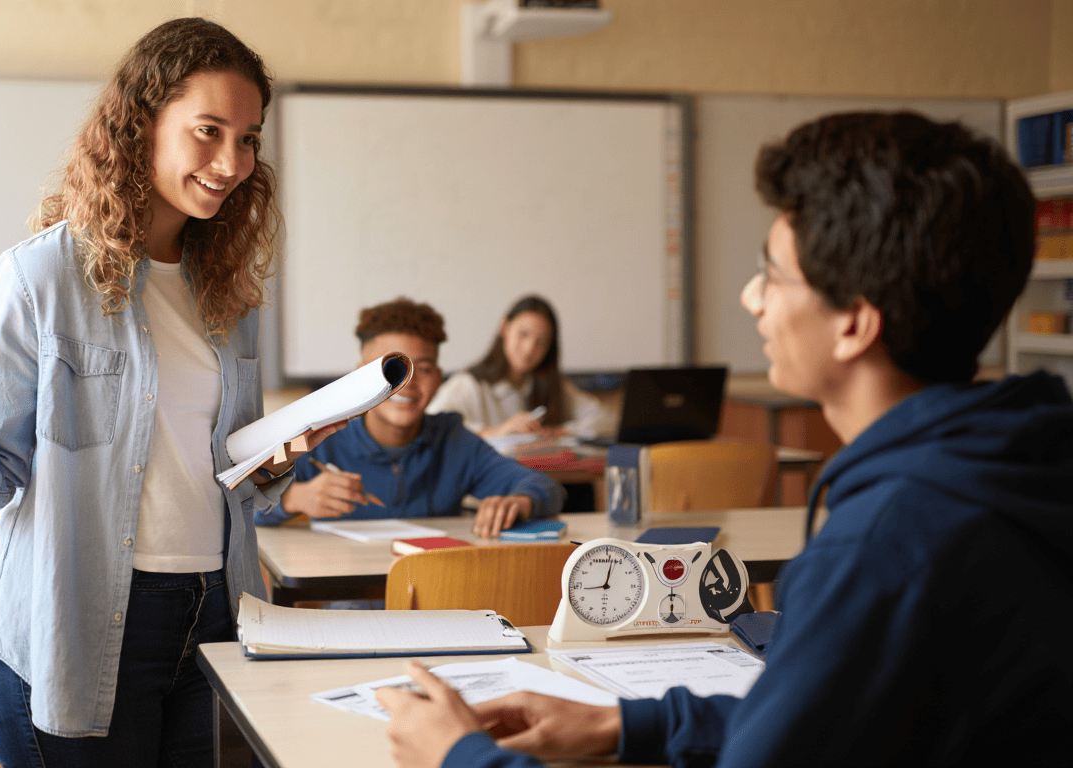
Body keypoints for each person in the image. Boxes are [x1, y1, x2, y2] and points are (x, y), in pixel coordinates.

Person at [377, 111, 1073, 767]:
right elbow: (819, 720)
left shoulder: (884, 550)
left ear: (855, 323)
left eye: (771, 272)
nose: (752, 297)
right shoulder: (1020, 467)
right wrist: (625, 724)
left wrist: (460, 756)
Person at [0, 18, 342, 768]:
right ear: (142, 126)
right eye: (209, 130)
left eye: (249, 138)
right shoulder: (39, 279)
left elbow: (220, 475)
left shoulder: (229, 296)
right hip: (81, 630)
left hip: (218, 615)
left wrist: (276, 457)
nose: (232, 161)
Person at [256, 297, 564, 538]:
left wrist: (519, 502)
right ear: (359, 374)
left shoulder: (453, 440)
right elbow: (241, 503)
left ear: (440, 378)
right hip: (350, 607)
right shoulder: (318, 438)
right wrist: (293, 499)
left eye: (424, 369)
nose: (407, 384)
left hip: (435, 601)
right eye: (391, 370)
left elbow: (546, 487)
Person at [427, 295, 610, 441]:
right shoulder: (469, 385)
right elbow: (432, 424)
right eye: (523, 334)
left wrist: (560, 432)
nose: (530, 348)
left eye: (542, 342)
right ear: (505, 329)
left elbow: (605, 419)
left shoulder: (553, 385)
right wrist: (496, 432)